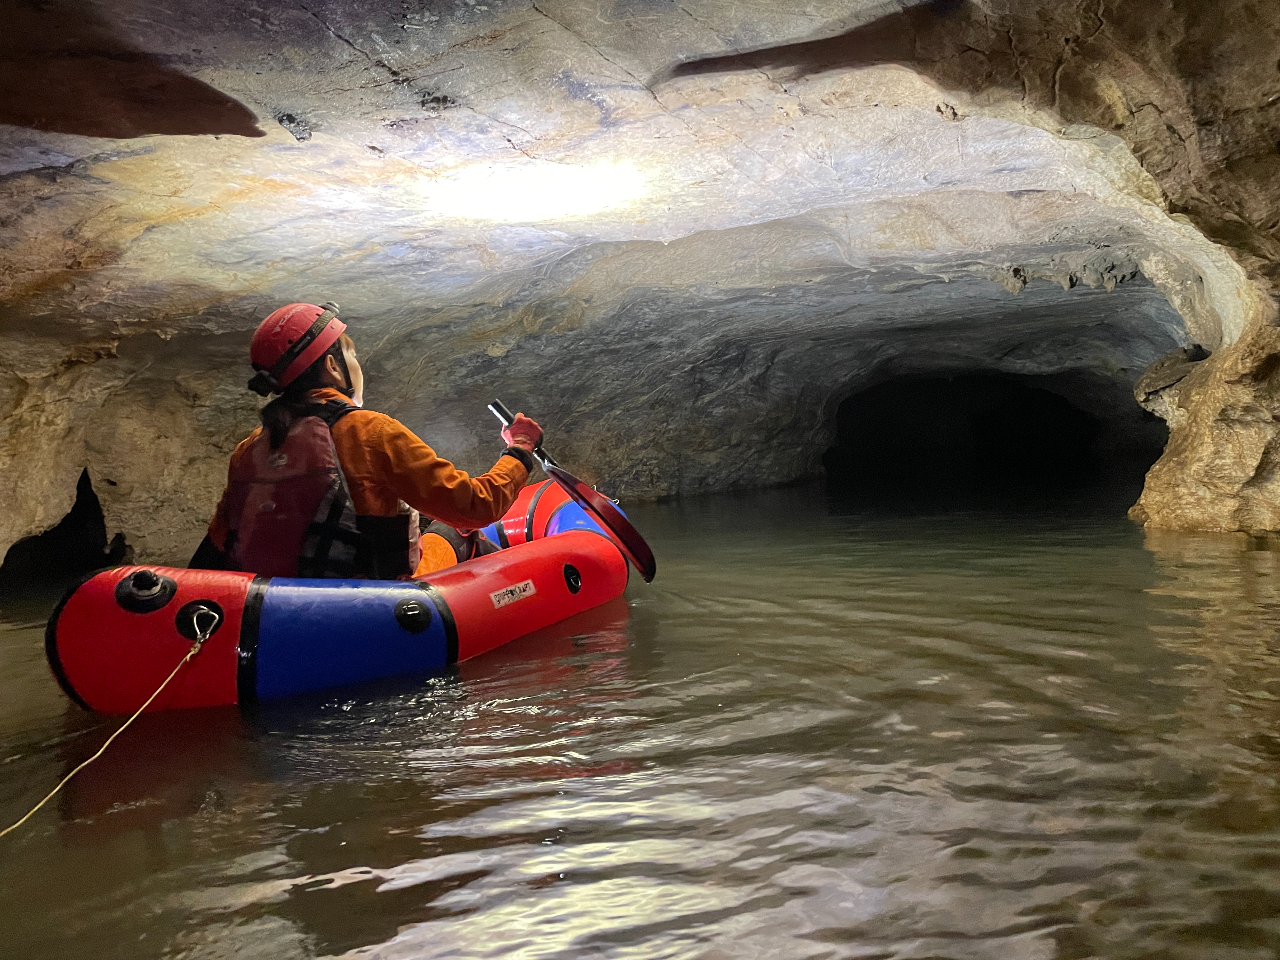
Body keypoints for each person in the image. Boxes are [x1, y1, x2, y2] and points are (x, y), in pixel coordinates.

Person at [189, 301, 542, 579]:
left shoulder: (250, 448)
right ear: (332, 366)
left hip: (275, 606)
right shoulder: (369, 431)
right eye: (352, 356)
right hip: (372, 606)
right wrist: (520, 449)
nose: (357, 366)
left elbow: (218, 544)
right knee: (457, 530)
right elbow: (477, 507)